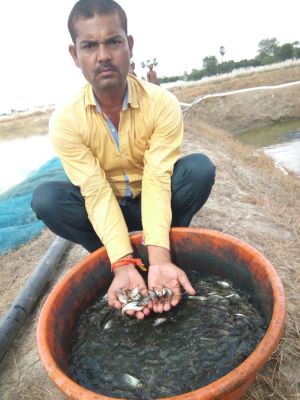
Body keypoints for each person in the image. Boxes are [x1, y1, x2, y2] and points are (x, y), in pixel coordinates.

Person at [31, 0, 216, 319]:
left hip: (152, 198)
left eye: (113, 42)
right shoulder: (66, 121)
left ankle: (164, 247)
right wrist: (122, 262)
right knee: (46, 199)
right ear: (75, 55)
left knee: (199, 170)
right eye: (89, 45)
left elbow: (159, 179)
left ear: (129, 46)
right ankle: (115, 258)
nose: (103, 55)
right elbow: (96, 191)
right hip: (110, 204)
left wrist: (158, 259)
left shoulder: (161, 104)